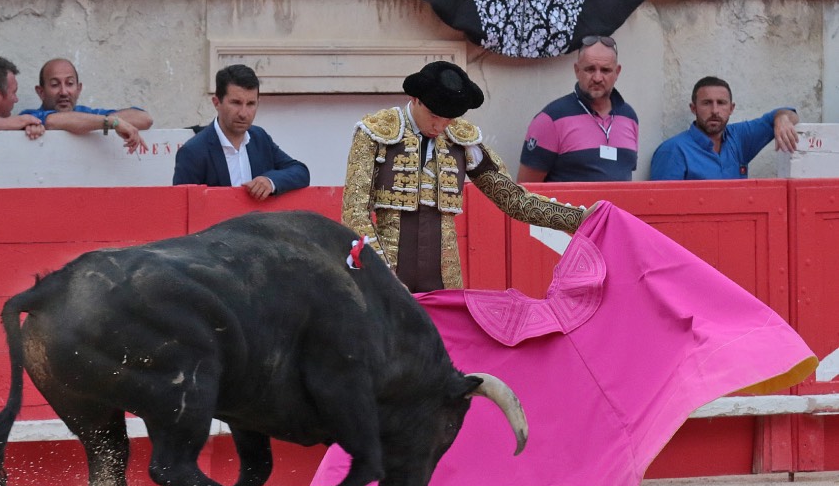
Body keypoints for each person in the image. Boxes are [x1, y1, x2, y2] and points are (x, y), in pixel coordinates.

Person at [342, 60, 595, 293]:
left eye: (449, 119)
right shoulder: (374, 133)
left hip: (444, 283)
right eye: (434, 116)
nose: (439, 127)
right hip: (386, 277)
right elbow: (355, 212)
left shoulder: (463, 141)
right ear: (415, 98)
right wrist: (381, 276)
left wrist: (579, 219)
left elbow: (514, 200)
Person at [172, 64, 310, 199]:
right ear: (216, 102)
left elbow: (300, 171)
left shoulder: (260, 138)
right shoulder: (193, 152)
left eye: (251, 104)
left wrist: (270, 181)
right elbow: (183, 207)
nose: (243, 113)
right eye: (236, 103)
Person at [517, 35, 638, 183]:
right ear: (577, 70)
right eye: (590, 69)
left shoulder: (629, 117)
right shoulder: (551, 120)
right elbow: (525, 192)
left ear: (617, 72)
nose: (597, 78)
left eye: (605, 70)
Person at [649, 76, 799, 180]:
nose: (715, 110)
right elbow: (663, 212)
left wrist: (782, 118)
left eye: (721, 103)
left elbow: (788, 113)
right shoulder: (673, 151)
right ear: (693, 108)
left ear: (731, 108)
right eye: (707, 103)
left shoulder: (739, 138)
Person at [20, 58, 148, 154]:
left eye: (70, 83)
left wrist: (111, 122)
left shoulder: (88, 115)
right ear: (41, 92)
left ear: (79, 89)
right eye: (55, 85)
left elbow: (144, 119)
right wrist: (111, 122)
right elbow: (52, 121)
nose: (64, 92)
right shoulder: (29, 118)